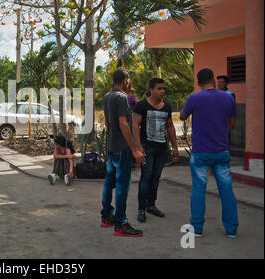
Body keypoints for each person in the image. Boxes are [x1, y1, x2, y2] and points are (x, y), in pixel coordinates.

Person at [180, 68, 239, 238]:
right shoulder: (228, 97)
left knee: (198, 189)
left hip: (201, 152)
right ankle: (231, 230)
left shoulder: (194, 98)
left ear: (198, 83)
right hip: (222, 151)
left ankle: (197, 228)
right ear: (214, 79)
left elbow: (183, 116)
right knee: (226, 189)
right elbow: (232, 124)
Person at [101, 68, 146, 237]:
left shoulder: (107, 97)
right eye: (129, 79)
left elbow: (107, 123)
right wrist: (134, 148)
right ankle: (120, 223)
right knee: (121, 186)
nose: (129, 82)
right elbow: (123, 124)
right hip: (122, 150)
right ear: (125, 80)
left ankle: (106, 216)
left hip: (111, 147)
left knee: (108, 181)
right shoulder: (122, 98)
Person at [133, 78, 179, 223]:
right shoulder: (141, 105)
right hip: (147, 148)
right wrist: (139, 148)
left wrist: (175, 147)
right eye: (159, 88)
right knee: (146, 177)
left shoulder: (167, 107)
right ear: (151, 90)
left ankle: (151, 205)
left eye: (163, 88)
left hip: (162, 148)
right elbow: (135, 126)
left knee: (155, 178)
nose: (162, 91)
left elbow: (170, 127)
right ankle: (141, 208)